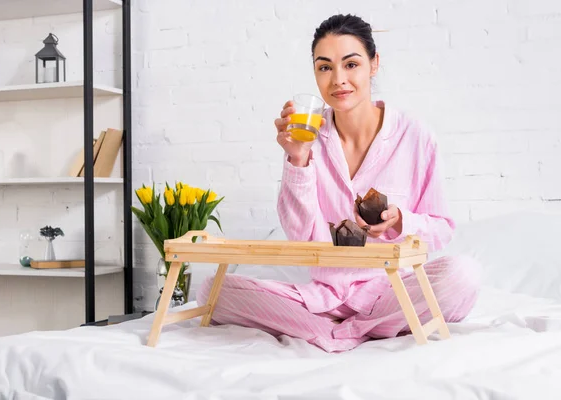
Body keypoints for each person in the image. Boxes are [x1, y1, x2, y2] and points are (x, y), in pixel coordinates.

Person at [197, 13, 481, 353]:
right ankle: (344, 330)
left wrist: (401, 220)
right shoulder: (308, 136)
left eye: (351, 64)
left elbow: (441, 228)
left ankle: (336, 333)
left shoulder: (415, 137)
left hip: (391, 289)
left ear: (374, 64)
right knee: (212, 290)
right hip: (324, 297)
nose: (338, 80)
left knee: (463, 276)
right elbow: (302, 238)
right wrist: (298, 158)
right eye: (325, 67)